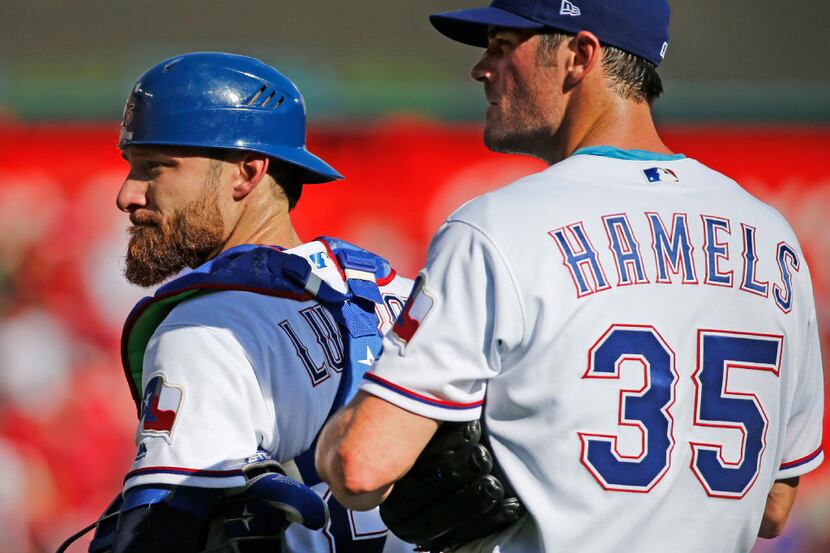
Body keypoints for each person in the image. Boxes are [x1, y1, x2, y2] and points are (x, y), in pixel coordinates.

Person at [315, 1, 825, 552]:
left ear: (581, 55)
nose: (481, 67)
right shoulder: (772, 237)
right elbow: (775, 506)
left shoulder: (496, 225)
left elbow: (360, 466)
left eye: (504, 45)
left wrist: (322, 446)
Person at [84, 52, 414, 553]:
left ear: (247, 172)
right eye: (132, 166)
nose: (127, 195)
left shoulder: (204, 330)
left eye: (156, 168)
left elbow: (155, 539)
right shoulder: (405, 298)